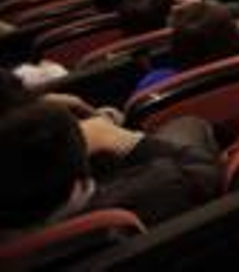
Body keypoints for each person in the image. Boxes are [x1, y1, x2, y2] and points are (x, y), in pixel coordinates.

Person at [0, 81, 220, 232]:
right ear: (80, 155)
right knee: (187, 124)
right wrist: (129, 142)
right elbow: (205, 171)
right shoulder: (162, 184)